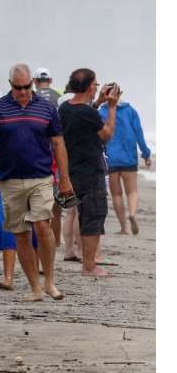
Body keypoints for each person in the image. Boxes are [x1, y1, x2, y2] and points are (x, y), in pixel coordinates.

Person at [0, 63, 72, 301]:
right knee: (20, 234)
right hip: (10, 180)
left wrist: (65, 178)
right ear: (10, 84)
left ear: (32, 82)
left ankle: (50, 281)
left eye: (26, 86)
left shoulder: (47, 108)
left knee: (43, 225)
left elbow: (59, 144)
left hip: (41, 176)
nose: (22, 91)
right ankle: (35, 288)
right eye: (18, 87)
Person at [59, 69, 120, 277]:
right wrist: (111, 107)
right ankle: (89, 266)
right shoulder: (87, 112)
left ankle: (85, 261)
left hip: (71, 170)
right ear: (88, 87)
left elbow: (83, 119)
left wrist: (99, 103)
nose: (97, 88)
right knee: (92, 218)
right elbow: (107, 134)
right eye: (95, 84)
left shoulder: (65, 108)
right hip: (91, 172)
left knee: (79, 215)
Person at [98, 96, 152, 235]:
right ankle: (132, 213)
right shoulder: (130, 111)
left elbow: (98, 135)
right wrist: (146, 154)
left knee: (116, 195)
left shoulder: (101, 112)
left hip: (110, 158)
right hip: (129, 158)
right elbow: (139, 134)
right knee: (132, 191)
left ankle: (124, 228)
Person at [34, 67, 64, 245]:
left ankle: (41, 241)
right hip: (56, 148)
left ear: (35, 81)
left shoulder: (29, 96)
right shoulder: (59, 95)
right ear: (50, 80)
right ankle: (57, 241)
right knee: (57, 203)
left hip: (36, 151)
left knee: (37, 202)